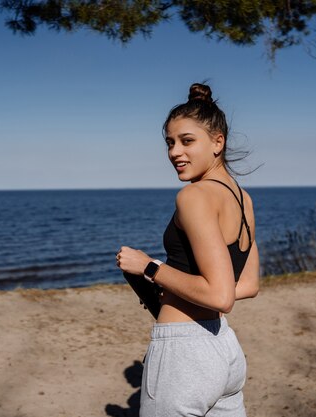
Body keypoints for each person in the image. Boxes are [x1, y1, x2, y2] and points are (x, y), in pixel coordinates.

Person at [116, 83, 260, 417]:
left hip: (184, 354)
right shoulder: (243, 198)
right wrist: (173, 292)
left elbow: (220, 296)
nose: (174, 152)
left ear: (217, 142)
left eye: (187, 141)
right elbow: (248, 285)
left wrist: (148, 267)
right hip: (223, 348)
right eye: (170, 142)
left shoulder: (194, 196)